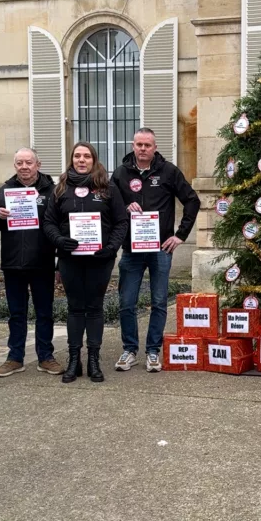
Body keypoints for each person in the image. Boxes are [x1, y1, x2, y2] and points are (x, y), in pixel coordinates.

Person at [112, 128, 199, 372]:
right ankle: (130, 350)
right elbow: (109, 204)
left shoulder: (169, 171)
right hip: (131, 249)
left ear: (155, 147)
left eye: (147, 145)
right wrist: (124, 206)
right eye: (139, 144)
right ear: (132, 145)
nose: (142, 149)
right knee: (127, 302)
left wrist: (180, 235)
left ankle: (153, 351)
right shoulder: (120, 173)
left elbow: (192, 200)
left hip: (160, 248)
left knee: (159, 301)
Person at [43, 142, 129, 383]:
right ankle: (74, 360)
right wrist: (59, 240)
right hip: (70, 259)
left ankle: (93, 360)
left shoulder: (108, 188)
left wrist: (111, 248)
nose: (81, 160)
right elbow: (48, 222)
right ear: (72, 159)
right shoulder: (60, 189)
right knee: (75, 308)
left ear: (94, 160)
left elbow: (121, 222)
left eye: (86, 156)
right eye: (77, 156)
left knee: (94, 307)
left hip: (100, 260)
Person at [0, 148, 61, 378]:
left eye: (28, 162)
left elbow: (61, 223)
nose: (24, 167)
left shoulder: (52, 191)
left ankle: (46, 357)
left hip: (42, 261)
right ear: (15, 166)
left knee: (44, 313)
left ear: (38, 164)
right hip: (13, 263)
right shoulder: (6, 190)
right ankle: (15, 358)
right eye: (19, 163)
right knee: (16, 314)